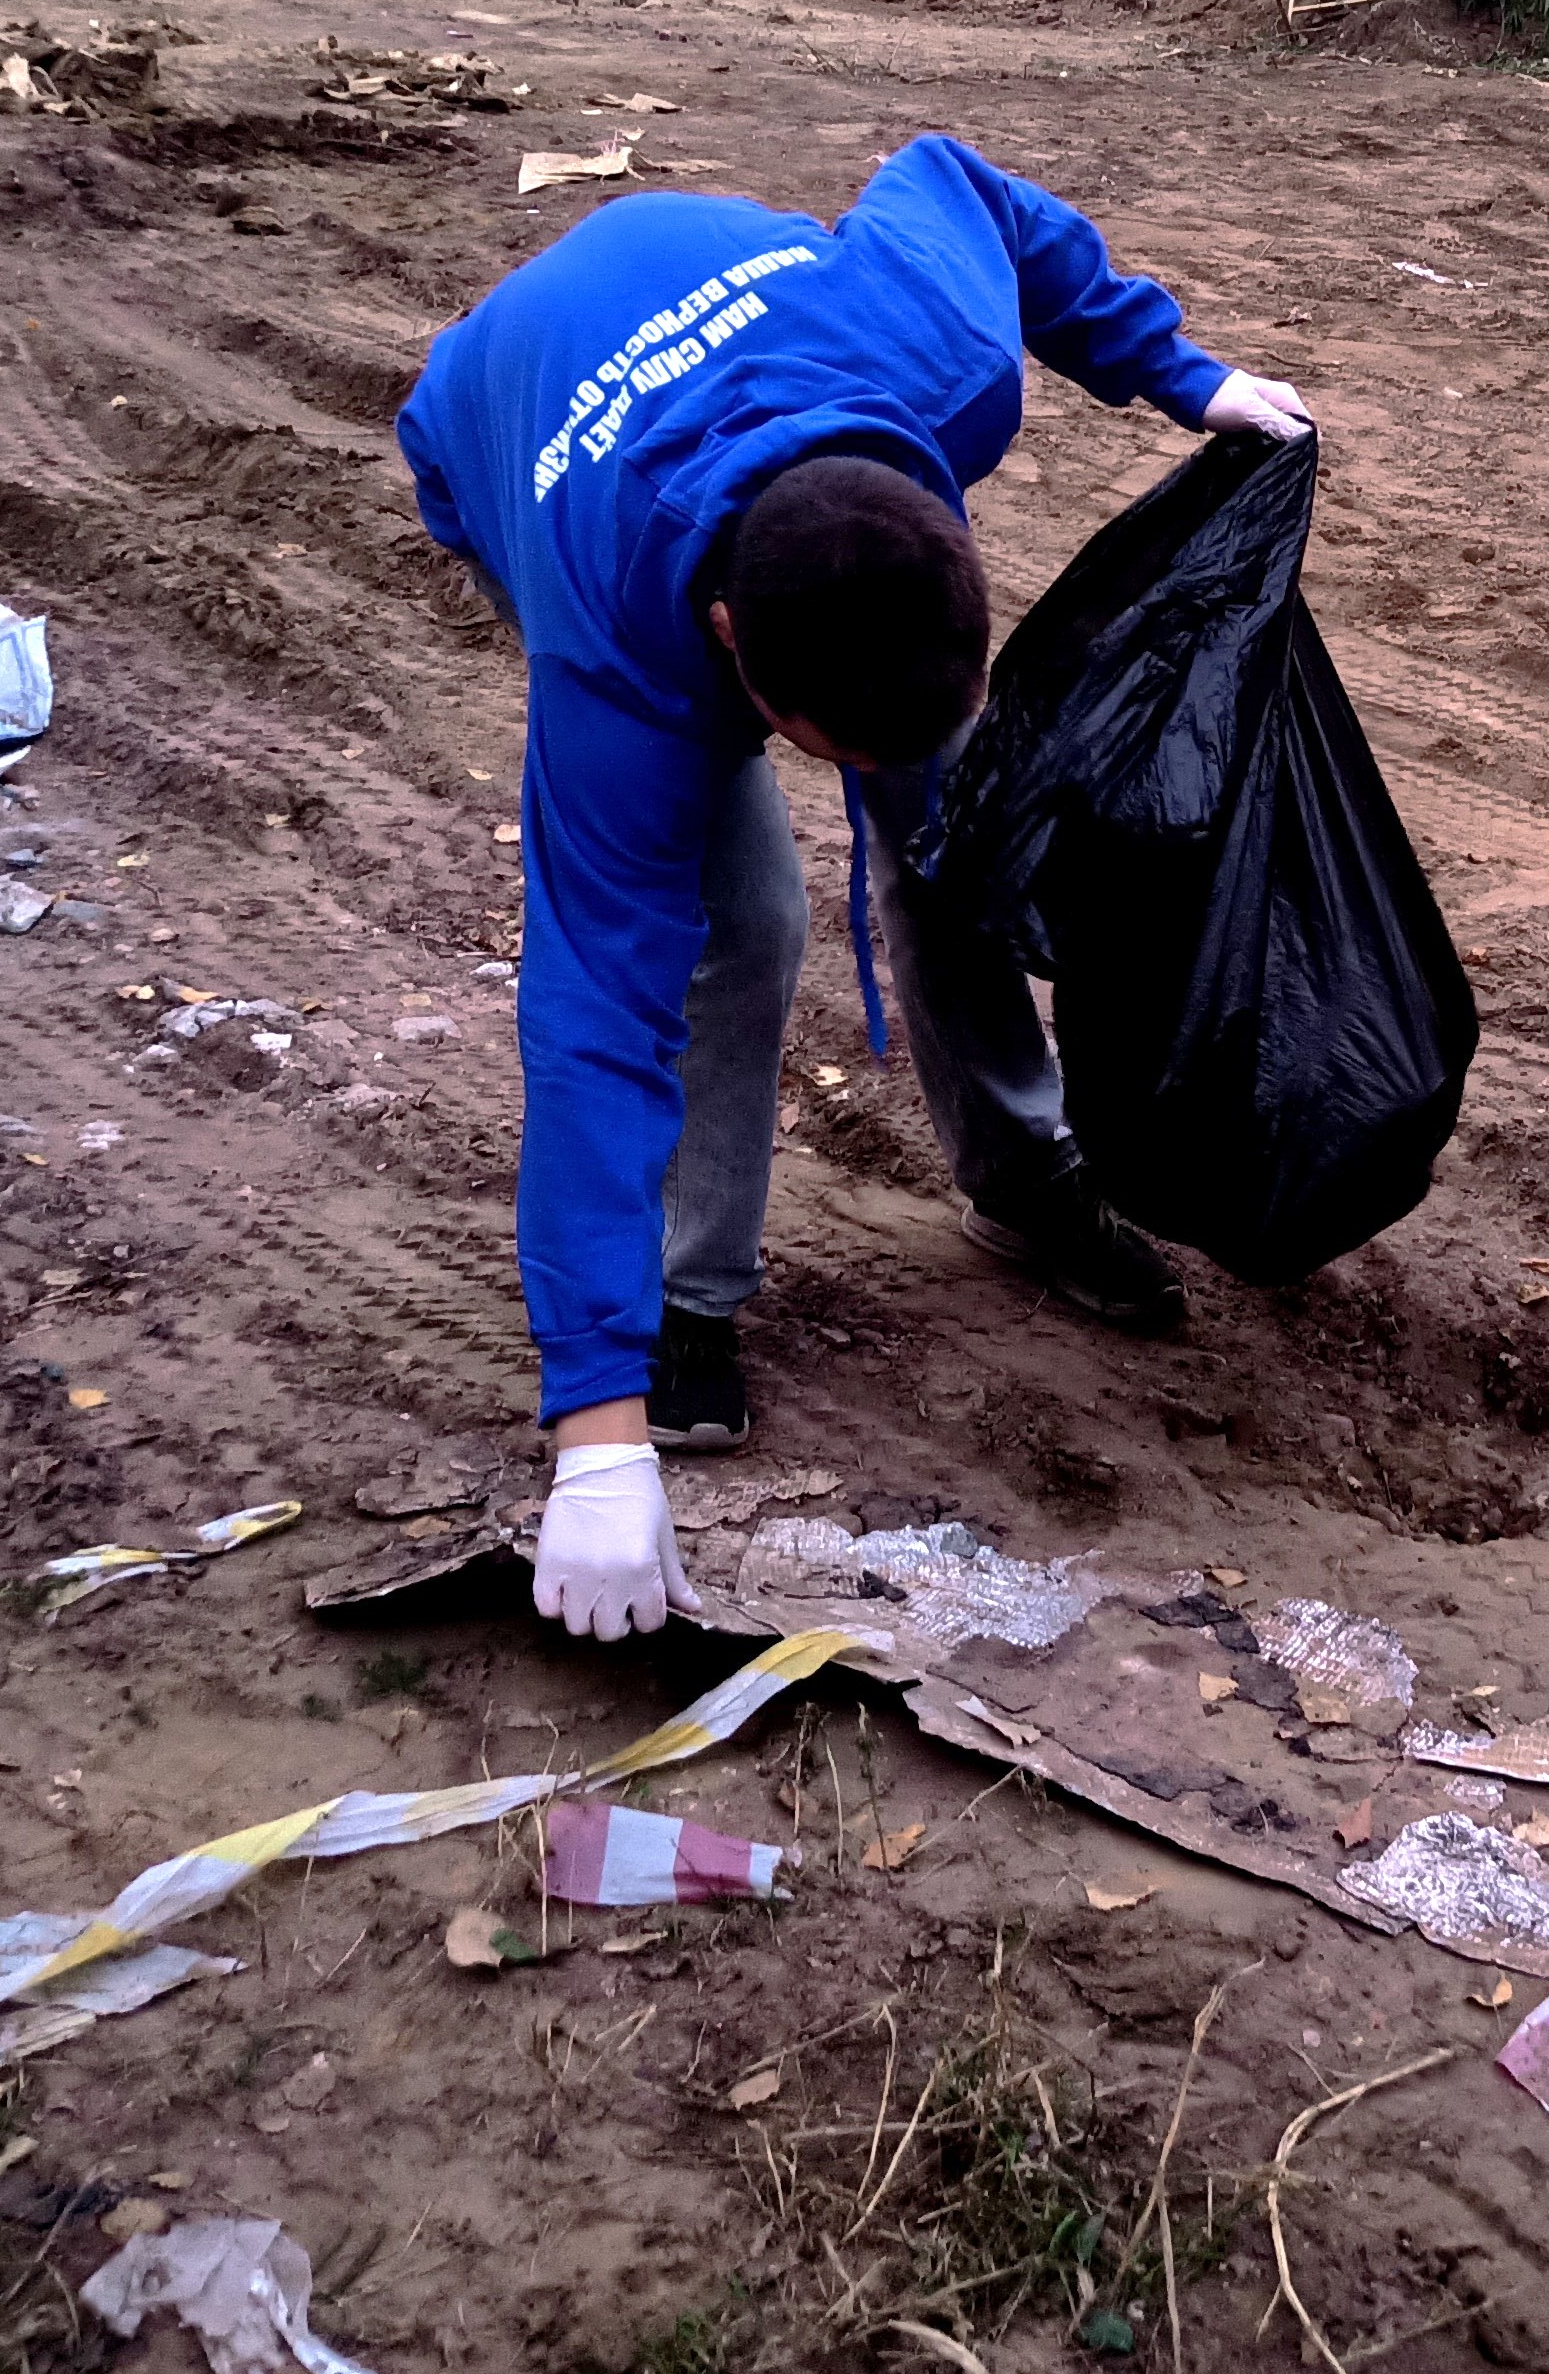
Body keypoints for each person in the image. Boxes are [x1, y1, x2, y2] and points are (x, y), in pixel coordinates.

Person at [395, 138, 1312, 1643]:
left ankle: (1026, 1177)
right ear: (734, 653)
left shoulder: (945, 361)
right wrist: (594, 1433)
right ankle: (684, 1300)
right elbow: (585, 1024)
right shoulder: (615, 670)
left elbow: (962, 182)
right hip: (518, 421)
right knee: (731, 927)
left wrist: (1179, 374)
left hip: (765, 335)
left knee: (946, 830)